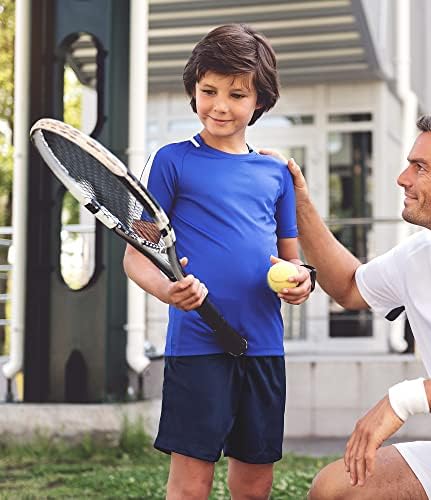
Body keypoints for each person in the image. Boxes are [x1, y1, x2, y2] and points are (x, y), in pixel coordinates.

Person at [123, 24, 314, 500]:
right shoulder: (171, 161)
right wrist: (168, 291)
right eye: (209, 91)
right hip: (197, 345)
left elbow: (293, 262)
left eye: (237, 94)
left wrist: (301, 283)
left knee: (255, 479)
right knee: (192, 480)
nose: (220, 105)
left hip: (263, 345)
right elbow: (135, 256)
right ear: (193, 90)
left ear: (260, 101)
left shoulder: (277, 174)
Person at [283, 114, 431, 498]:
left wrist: (403, 399)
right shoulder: (419, 257)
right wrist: (300, 205)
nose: (403, 178)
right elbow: (350, 287)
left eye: (420, 168)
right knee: (335, 488)